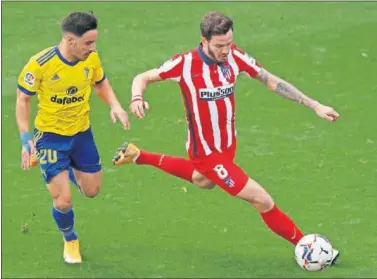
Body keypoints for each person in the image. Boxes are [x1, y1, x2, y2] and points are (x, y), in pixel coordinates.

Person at [112, 12, 340, 264]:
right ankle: (308, 247)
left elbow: (270, 80)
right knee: (262, 200)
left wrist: (313, 104)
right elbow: (142, 77)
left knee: (203, 181)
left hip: (228, 145)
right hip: (206, 153)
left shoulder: (235, 57)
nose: (225, 50)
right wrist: (137, 97)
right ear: (204, 41)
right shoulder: (185, 64)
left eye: (229, 43)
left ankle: (137, 155)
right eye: (219, 45)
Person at [16, 11, 129, 264]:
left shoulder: (91, 59)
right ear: (70, 40)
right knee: (64, 201)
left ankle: (65, 171)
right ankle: (70, 239)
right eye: (88, 43)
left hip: (81, 134)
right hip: (50, 139)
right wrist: (26, 139)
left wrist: (115, 105)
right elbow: (23, 100)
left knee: (92, 191)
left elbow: (100, 83)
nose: (93, 48)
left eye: (94, 42)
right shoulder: (40, 65)